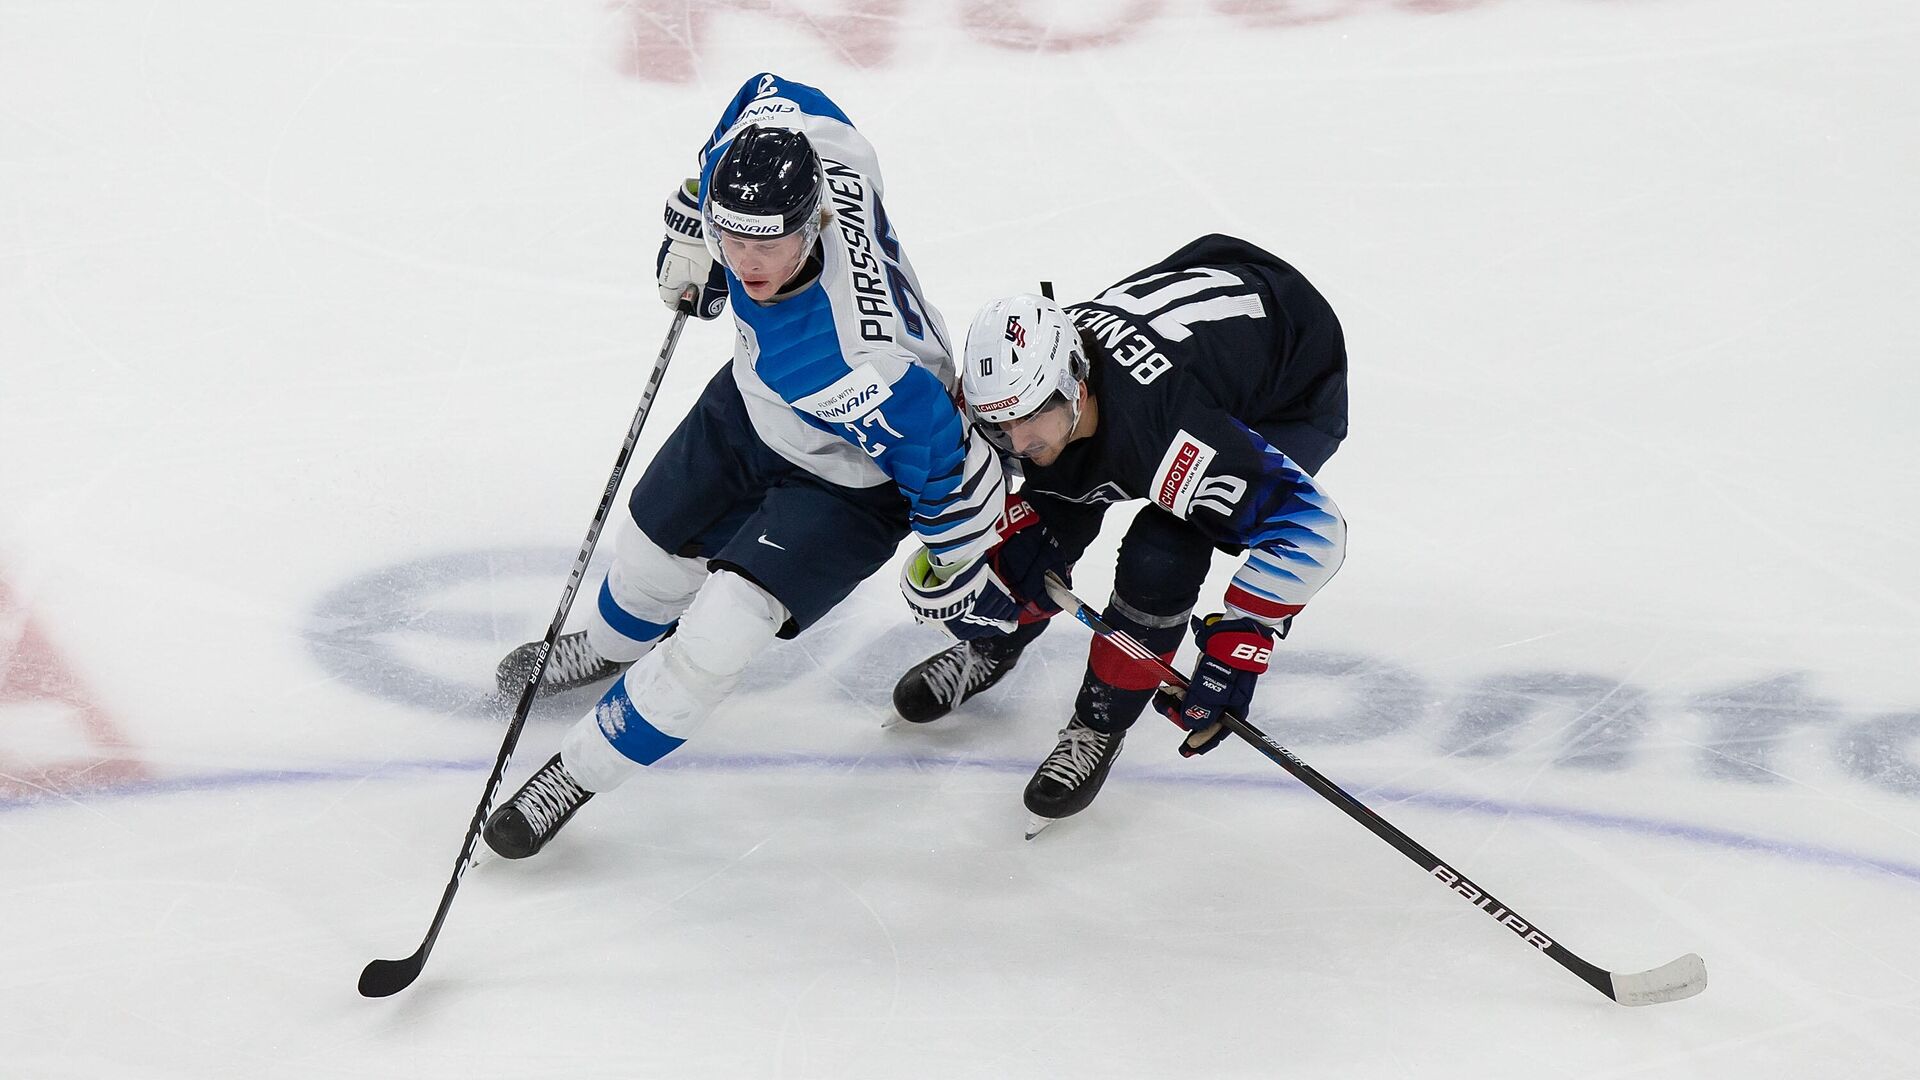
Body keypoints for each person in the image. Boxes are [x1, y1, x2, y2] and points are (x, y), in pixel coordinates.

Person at [481, 72, 1004, 859]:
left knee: (718, 637)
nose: (748, 263)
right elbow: (768, 87)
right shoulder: (816, 148)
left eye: (769, 244)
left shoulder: (857, 357)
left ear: (813, 221)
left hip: (851, 484)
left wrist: (954, 547)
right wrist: (695, 224)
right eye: (736, 238)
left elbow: (941, 455)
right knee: (652, 549)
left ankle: (574, 774)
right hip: (755, 408)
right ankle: (611, 644)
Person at [895, 234, 1349, 837]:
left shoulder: (1168, 435)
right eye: (999, 427)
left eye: (1032, 419)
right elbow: (1017, 455)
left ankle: (1099, 722)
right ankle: (996, 642)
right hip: (1209, 318)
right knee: (1032, 533)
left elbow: (1312, 531)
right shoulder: (1030, 388)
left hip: (1287, 388)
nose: (1017, 443)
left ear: (1076, 383)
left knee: (1160, 557)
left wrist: (1242, 642)